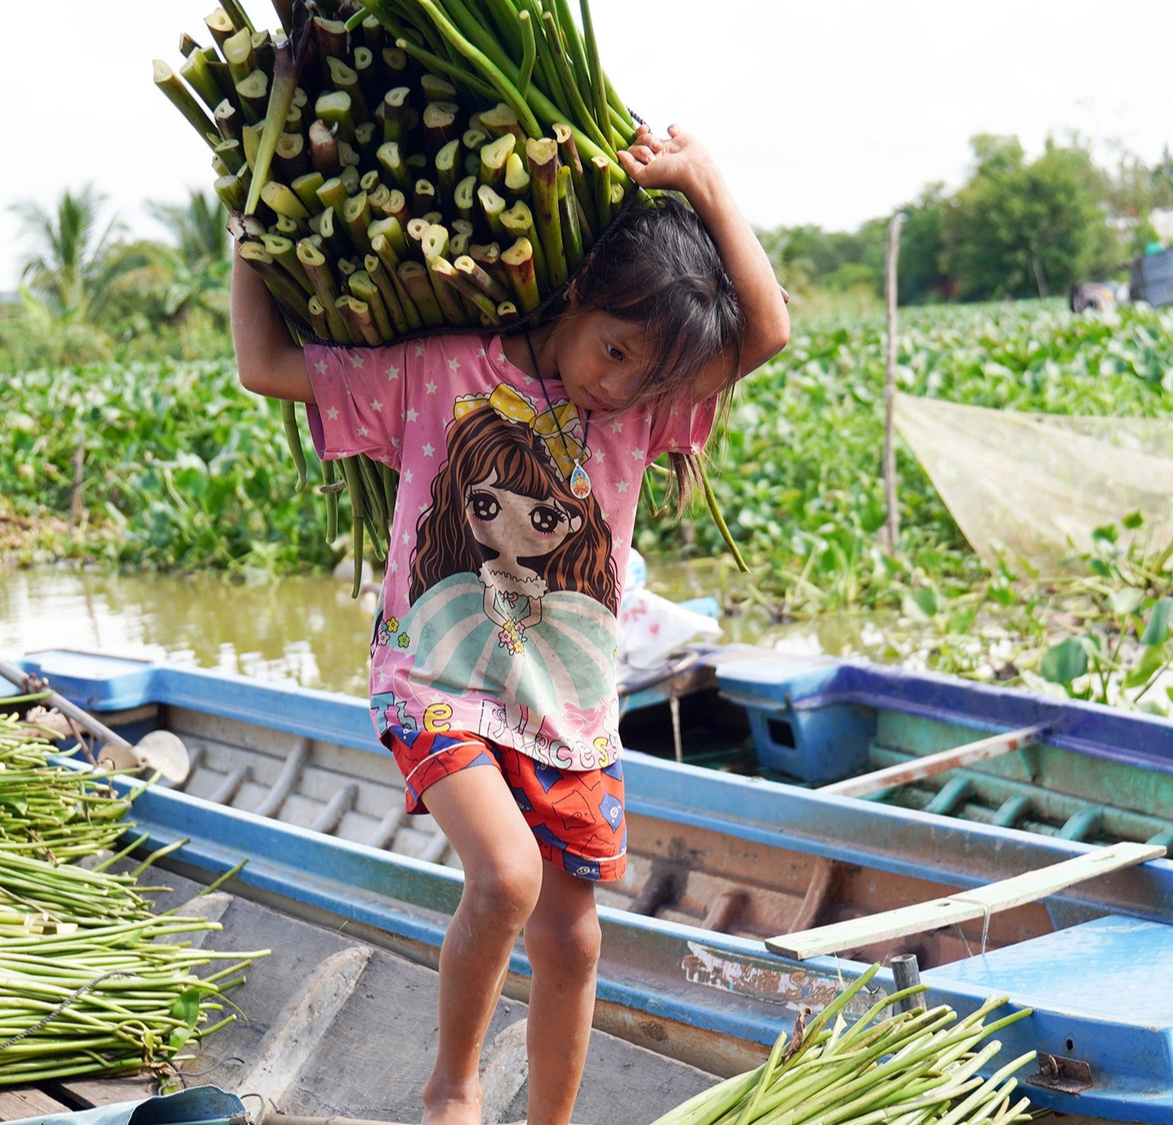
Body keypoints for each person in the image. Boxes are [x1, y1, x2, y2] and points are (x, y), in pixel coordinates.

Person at [230, 124, 788, 1125]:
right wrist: (250, 241)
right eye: (611, 349)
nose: (615, 384)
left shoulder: (640, 415)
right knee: (506, 876)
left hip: (570, 715)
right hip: (436, 688)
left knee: (574, 940)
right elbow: (264, 363)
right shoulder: (436, 374)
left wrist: (704, 178)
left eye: (642, 374)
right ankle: (453, 1089)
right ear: (576, 299)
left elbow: (766, 332)